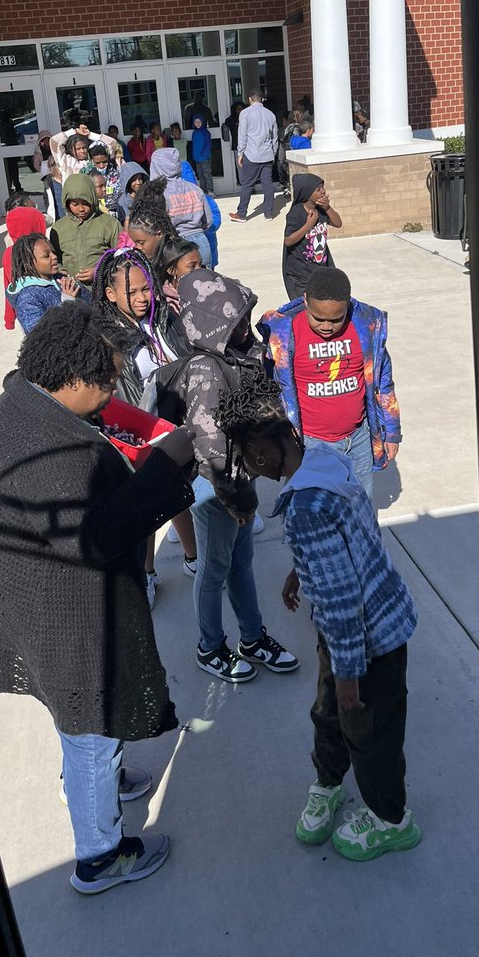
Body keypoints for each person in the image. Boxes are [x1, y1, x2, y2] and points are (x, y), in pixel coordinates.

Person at [0, 302, 196, 895]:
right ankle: (100, 854)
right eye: (104, 381)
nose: (108, 395)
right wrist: (161, 474)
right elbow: (94, 536)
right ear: (71, 377)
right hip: (63, 616)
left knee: (79, 725)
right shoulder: (56, 448)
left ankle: (98, 778)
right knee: (89, 724)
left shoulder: (15, 407)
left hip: (27, 599)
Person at [214, 369, 420, 862]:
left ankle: (392, 820)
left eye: (244, 457)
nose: (247, 466)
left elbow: (343, 599)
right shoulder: (325, 457)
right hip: (356, 632)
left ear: (261, 454)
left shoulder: (304, 509)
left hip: (369, 641)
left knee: (371, 733)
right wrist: (300, 568)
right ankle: (329, 782)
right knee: (329, 714)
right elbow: (344, 539)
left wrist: (348, 674)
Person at [170, 269, 297, 682]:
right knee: (213, 569)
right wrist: (237, 500)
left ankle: (253, 637)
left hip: (241, 481)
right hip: (217, 487)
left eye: (245, 317)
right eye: (235, 320)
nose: (245, 325)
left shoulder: (240, 354)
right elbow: (209, 447)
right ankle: (210, 646)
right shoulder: (205, 371)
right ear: (211, 325)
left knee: (241, 563)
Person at [91, 248, 197, 601]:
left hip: (175, 421)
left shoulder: (163, 318)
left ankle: (193, 556)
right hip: (140, 431)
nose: (141, 298)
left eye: (145, 289)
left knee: (178, 491)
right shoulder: (110, 335)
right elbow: (120, 392)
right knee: (147, 504)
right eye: (131, 292)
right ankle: (147, 572)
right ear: (110, 294)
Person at [258, 266, 401, 501]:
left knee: (360, 510)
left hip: (359, 440)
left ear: (348, 306)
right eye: (319, 318)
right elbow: (271, 391)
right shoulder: (283, 335)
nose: (326, 326)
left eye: (336, 319)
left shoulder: (365, 328)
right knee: (316, 515)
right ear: (305, 301)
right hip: (311, 446)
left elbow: (383, 384)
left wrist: (392, 433)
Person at [50, 172, 120, 289]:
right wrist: (62, 272)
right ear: (67, 203)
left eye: (86, 203)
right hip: (72, 291)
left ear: (93, 199)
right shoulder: (58, 228)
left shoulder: (110, 224)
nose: (81, 209)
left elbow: (121, 257)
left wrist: (99, 271)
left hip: (104, 288)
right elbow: (53, 258)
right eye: (75, 204)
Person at [6, 233, 85, 332]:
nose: (54, 256)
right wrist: (68, 301)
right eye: (47, 256)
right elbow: (41, 335)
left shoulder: (60, 278)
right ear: (29, 263)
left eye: (53, 252)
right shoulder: (27, 297)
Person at [281, 173, 342, 299]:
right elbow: (288, 241)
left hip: (320, 269)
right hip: (301, 273)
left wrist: (327, 208)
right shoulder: (296, 213)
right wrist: (308, 225)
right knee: (305, 308)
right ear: (307, 193)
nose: (323, 191)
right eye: (318, 189)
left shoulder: (321, 210)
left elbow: (338, 223)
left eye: (322, 188)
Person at [150, 149, 212, 266]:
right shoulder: (195, 189)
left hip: (176, 247)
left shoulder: (159, 194)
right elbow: (208, 221)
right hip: (202, 243)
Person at [231, 90, 278, 222]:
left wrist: (240, 153)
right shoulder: (270, 114)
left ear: (250, 99)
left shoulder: (245, 113)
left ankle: (241, 214)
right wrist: (273, 153)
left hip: (252, 154)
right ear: (262, 99)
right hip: (267, 154)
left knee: (247, 185)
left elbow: (242, 135)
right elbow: (274, 137)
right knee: (268, 184)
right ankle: (268, 213)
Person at [2, 195, 48, 330]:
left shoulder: (9, 253)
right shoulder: (42, 250)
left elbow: (9, 287)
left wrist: (9, 319)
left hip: (27, 312)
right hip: (41, 310)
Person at [156, 236, 204, 314]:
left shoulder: (206, 290)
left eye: (200, 264)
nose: (199, 270)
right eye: (192, 266)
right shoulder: (167, 303)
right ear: (171, 270)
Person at [31, 130, 63, 221]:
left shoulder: (55, 148)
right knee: (48, 192)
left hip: (56, 172)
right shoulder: (39, 151)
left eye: (48, 139)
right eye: (44, 140)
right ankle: (50, 210)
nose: (46, 142)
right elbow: (36, 164)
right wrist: (41, 170)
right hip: (46, 174)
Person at [87, 142, 121, 218]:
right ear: (92, 161)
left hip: (117, 214)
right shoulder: (88, 176)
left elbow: (112, 141)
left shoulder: (117, 172)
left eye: (104, 162)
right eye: (97, 163)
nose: (101, 166)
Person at [221, 100, 245, 184]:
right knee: (240, 167)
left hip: (249, 146)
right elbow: (227, 122)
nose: (240, 111)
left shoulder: (247, 118)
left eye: (241, 109)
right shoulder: (231, 120)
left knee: (250, 167)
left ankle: (251, 185)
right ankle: (243, 184)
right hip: (237, 146)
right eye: (238, 109)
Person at [190, 113, 214, 193]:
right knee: (200, 175)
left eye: (199, 122)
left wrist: (204, 155)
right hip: (197, 159)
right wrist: (194, 155)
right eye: (196, 122)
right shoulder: (194, 133)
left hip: (205, 158)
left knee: (207, 174)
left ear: (203, 122)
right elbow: (194, 145)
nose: (198, 123)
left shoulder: (206, 132)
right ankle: (203, 190)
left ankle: (210, 190)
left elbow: (208, 145)